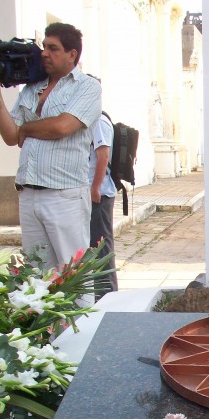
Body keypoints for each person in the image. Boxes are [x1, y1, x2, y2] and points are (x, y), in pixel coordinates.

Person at [0, 22, 101, 272]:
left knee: (73, 274)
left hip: (63, 195)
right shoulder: (32, 89)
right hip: (29, 193)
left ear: (72, 54)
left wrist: (27, 128)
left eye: (53, 48)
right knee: (37, 275)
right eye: (44, 46)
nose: (44, 53)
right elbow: (12, 136)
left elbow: (62, 127)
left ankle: (81, 314)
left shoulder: (87, 87)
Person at [89, 111, 118, 298]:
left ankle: (107, 297)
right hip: (94, 193)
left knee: (101, 248)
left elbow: (103, 156)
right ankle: (99, 294)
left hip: (100, 194)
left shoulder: (98, 120)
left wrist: (95, 188)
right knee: (95, 245)